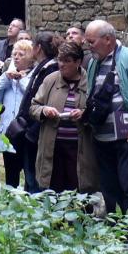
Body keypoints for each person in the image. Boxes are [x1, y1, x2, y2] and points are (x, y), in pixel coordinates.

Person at [83, 19, 128, 247]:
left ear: (108, 39)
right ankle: (116, 231)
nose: (87, 45)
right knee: (110, 187)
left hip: (126, 137)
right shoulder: (93, 63)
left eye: (91, 41)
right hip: (102, 137)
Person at [29, 41, 97, 193]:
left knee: (78, 189)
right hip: (54, 147)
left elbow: (96, 109)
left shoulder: (90, 82)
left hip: (79, 148)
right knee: (54, 190)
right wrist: (44, 110)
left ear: (78, 62)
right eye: (60, 60)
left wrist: (83, 113)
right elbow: (33, 106)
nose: (61, 64)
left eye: (67, 61)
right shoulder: (51, 80)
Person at [18, 31, 60, 192]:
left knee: (34, 174)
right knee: (30, 174)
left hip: (36, 131)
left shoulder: (50, 69)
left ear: (38, 48)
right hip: (32, 130)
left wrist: (31, 130)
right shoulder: (43, 68)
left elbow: (40, 99)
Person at [0, 39, 35, 187]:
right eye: (14, 54)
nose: (16, 57)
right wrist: (7, 76)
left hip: (26, 131)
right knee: (10, 173)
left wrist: (21, 79)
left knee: (29, 173)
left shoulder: (33, 75)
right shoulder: (9, 73)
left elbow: (30, 94)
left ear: (31, 57)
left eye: (21, 54)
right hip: (8, 130)